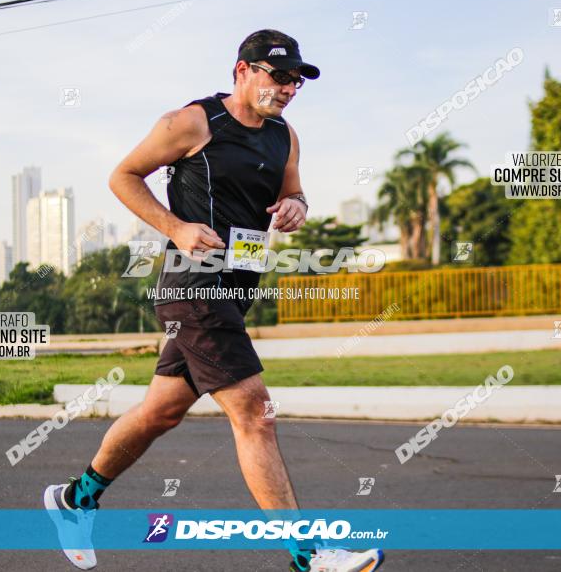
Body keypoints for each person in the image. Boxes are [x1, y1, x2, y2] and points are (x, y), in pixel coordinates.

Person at [44, 29, 384, 572]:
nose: (289, 88)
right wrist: (175, 227)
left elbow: (290, 191)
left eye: (297, 80)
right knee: (256, 413)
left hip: (236, 289)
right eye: (280, 76)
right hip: (194, 285)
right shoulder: (192, 122)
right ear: (243, 70)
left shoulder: (285, 136)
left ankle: (75, 499)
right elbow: (123, 176)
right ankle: (308, 556)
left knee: (160, 411)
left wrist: (296, 205)